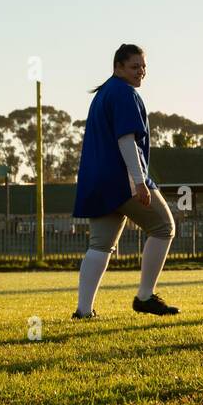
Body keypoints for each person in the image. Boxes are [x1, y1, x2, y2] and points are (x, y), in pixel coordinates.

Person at [71, 44, 179, 319]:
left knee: (99, 245)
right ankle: (145, 296)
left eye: (143, 67)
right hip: (122, 180)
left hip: (96, 182)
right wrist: (140, 181)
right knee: (164, 227)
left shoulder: (105, 93)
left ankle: (83, 310)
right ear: (118, 67)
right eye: (134, 66)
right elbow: (126, 140)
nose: (140, 72)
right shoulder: (123, 93)